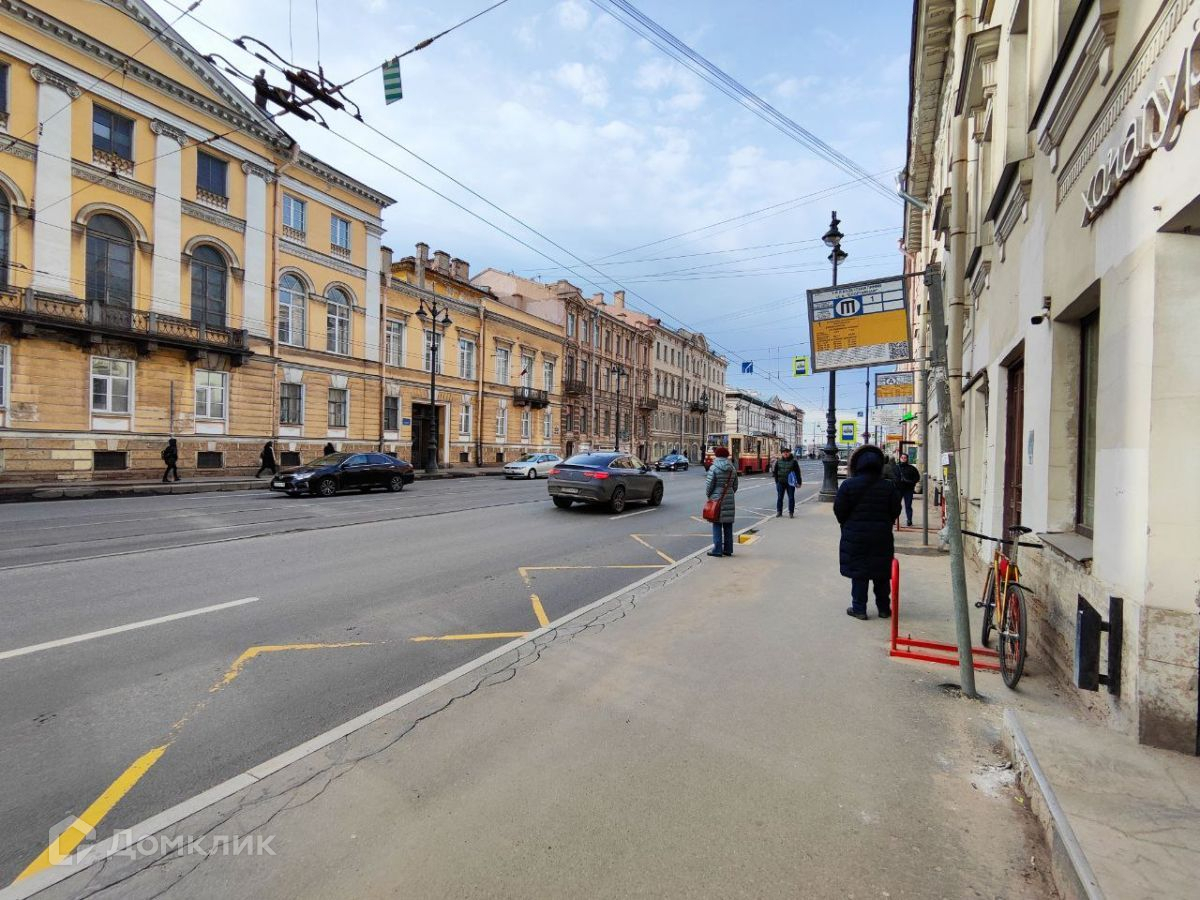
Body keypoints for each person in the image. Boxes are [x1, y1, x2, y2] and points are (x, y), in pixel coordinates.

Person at [834, 445, 901, 620]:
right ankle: (884, 609)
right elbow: (896, 509)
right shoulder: (888, 486)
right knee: (882, 573)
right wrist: (885, 522)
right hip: (881, 536)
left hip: (855, 535)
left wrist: (848, 524)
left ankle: (859, 609)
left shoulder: (848, 485)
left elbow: (839, 510)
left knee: (859, 573)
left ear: (857, 465)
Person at [704, 446, 739, 557]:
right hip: (729, 498)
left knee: (717, 524)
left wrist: (710, 496)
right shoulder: (732, 468)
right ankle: (728, 549)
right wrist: (729, 493)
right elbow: (735, 486)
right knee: (728, 525)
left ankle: (717, 550)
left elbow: (709, 485)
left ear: (717, 455)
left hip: (716, 498)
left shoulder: (714, 468)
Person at [770, 447, 802, 518]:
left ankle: (791, 512)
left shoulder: (794, 462)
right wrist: (777, 481)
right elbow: (775, 472)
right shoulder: (778, 461)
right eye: (784, 452)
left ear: (789, 453)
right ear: (782, 453)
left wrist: (799, 482)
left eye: (787, 452)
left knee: (791, 497)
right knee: (780, 497)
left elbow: (797, 472)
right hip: (781, 482)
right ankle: (779, 512)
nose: (785, 453)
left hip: (790, 483)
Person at [896, 453, 921, 527]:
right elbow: (892, 477)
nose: (903, 459)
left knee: (908, 505)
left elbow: (917, 477)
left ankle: (909, 520)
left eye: (905, 458)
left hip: (908, 490)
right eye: (902, 457)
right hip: (898, 489)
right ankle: (894, 519)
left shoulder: (912, 468)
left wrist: (911, 482)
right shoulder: (896, 468)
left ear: (907, 459)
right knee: (896, 505)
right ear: (900, 458)